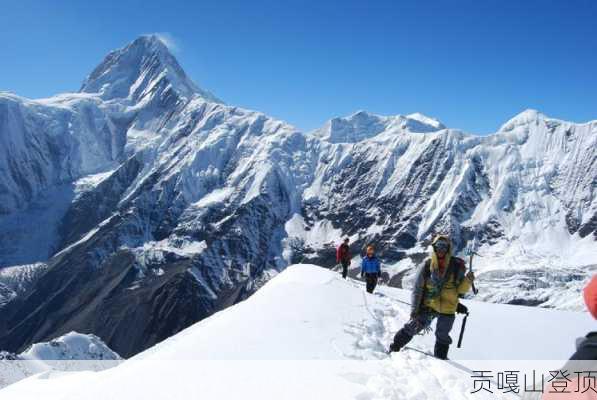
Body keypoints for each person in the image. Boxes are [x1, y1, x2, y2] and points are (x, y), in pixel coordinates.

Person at [388, 234, 474, 359]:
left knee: (442, 336)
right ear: (434, 247)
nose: (441, 250)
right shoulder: (427, 266)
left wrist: (468, 281)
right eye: (438, 246)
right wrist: (414, 310)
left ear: (448, 249)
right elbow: (417, 289)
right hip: (429, 305)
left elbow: (460, 291)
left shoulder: (456, 266)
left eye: (444, 247)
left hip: (448, 308)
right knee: (412, 327)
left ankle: (441, 360)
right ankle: (395, 346)